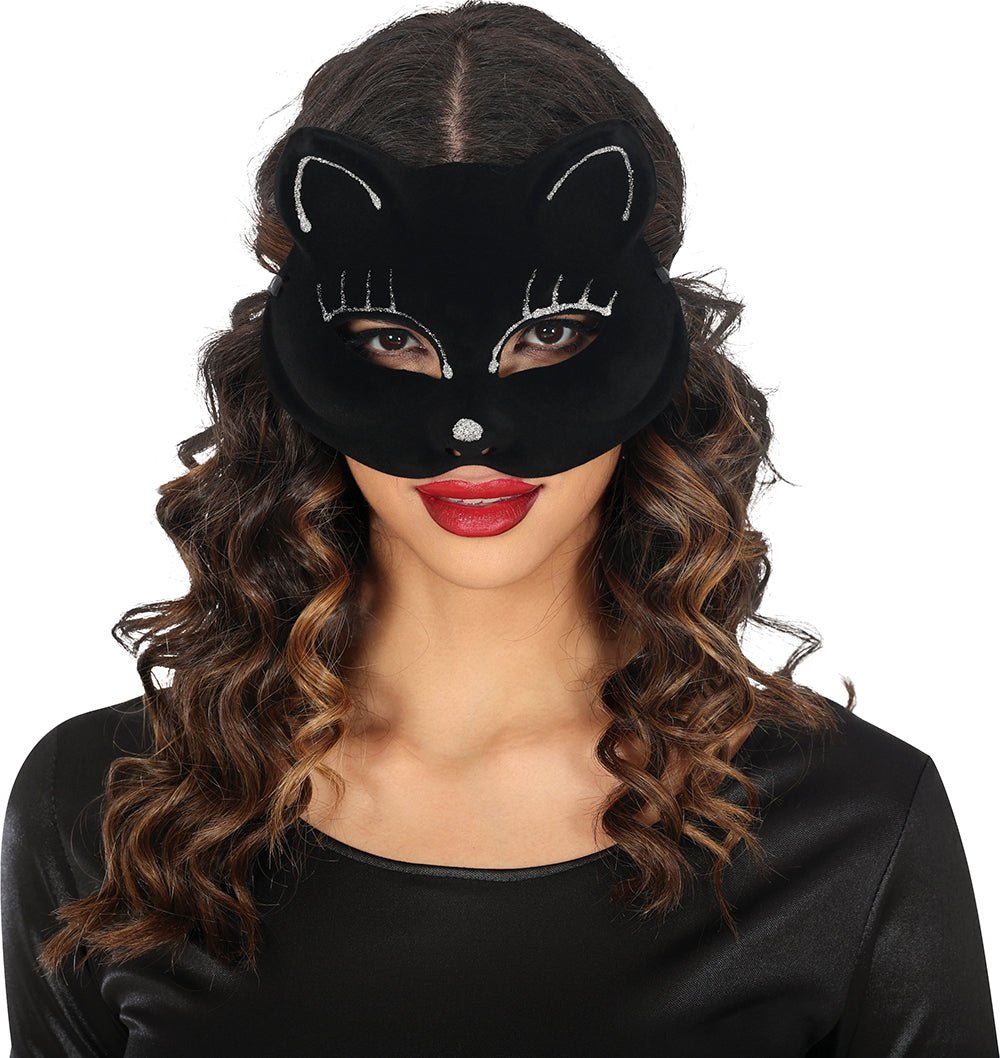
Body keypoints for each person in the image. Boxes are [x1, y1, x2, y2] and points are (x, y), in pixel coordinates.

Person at [3, 3, 997, 1055]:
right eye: (391, 338)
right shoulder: (114, 811)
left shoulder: (849, 826)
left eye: (550, 333)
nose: (471, 436)